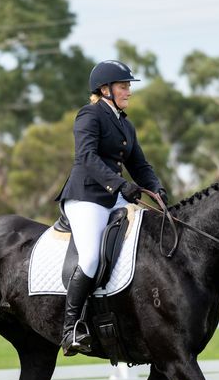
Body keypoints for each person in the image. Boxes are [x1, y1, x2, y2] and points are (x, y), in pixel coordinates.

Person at [54, 60, 168, 356]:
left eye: (129, 86)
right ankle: (71, 329)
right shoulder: (89, 115)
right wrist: (120, 186)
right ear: (105, 89)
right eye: (124, 86)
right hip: (86, 196)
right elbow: (87, 158)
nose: (129, 91)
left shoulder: (125, 124)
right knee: (90, 257)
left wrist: (155, 188)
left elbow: (139, 165)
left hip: (114, 196)